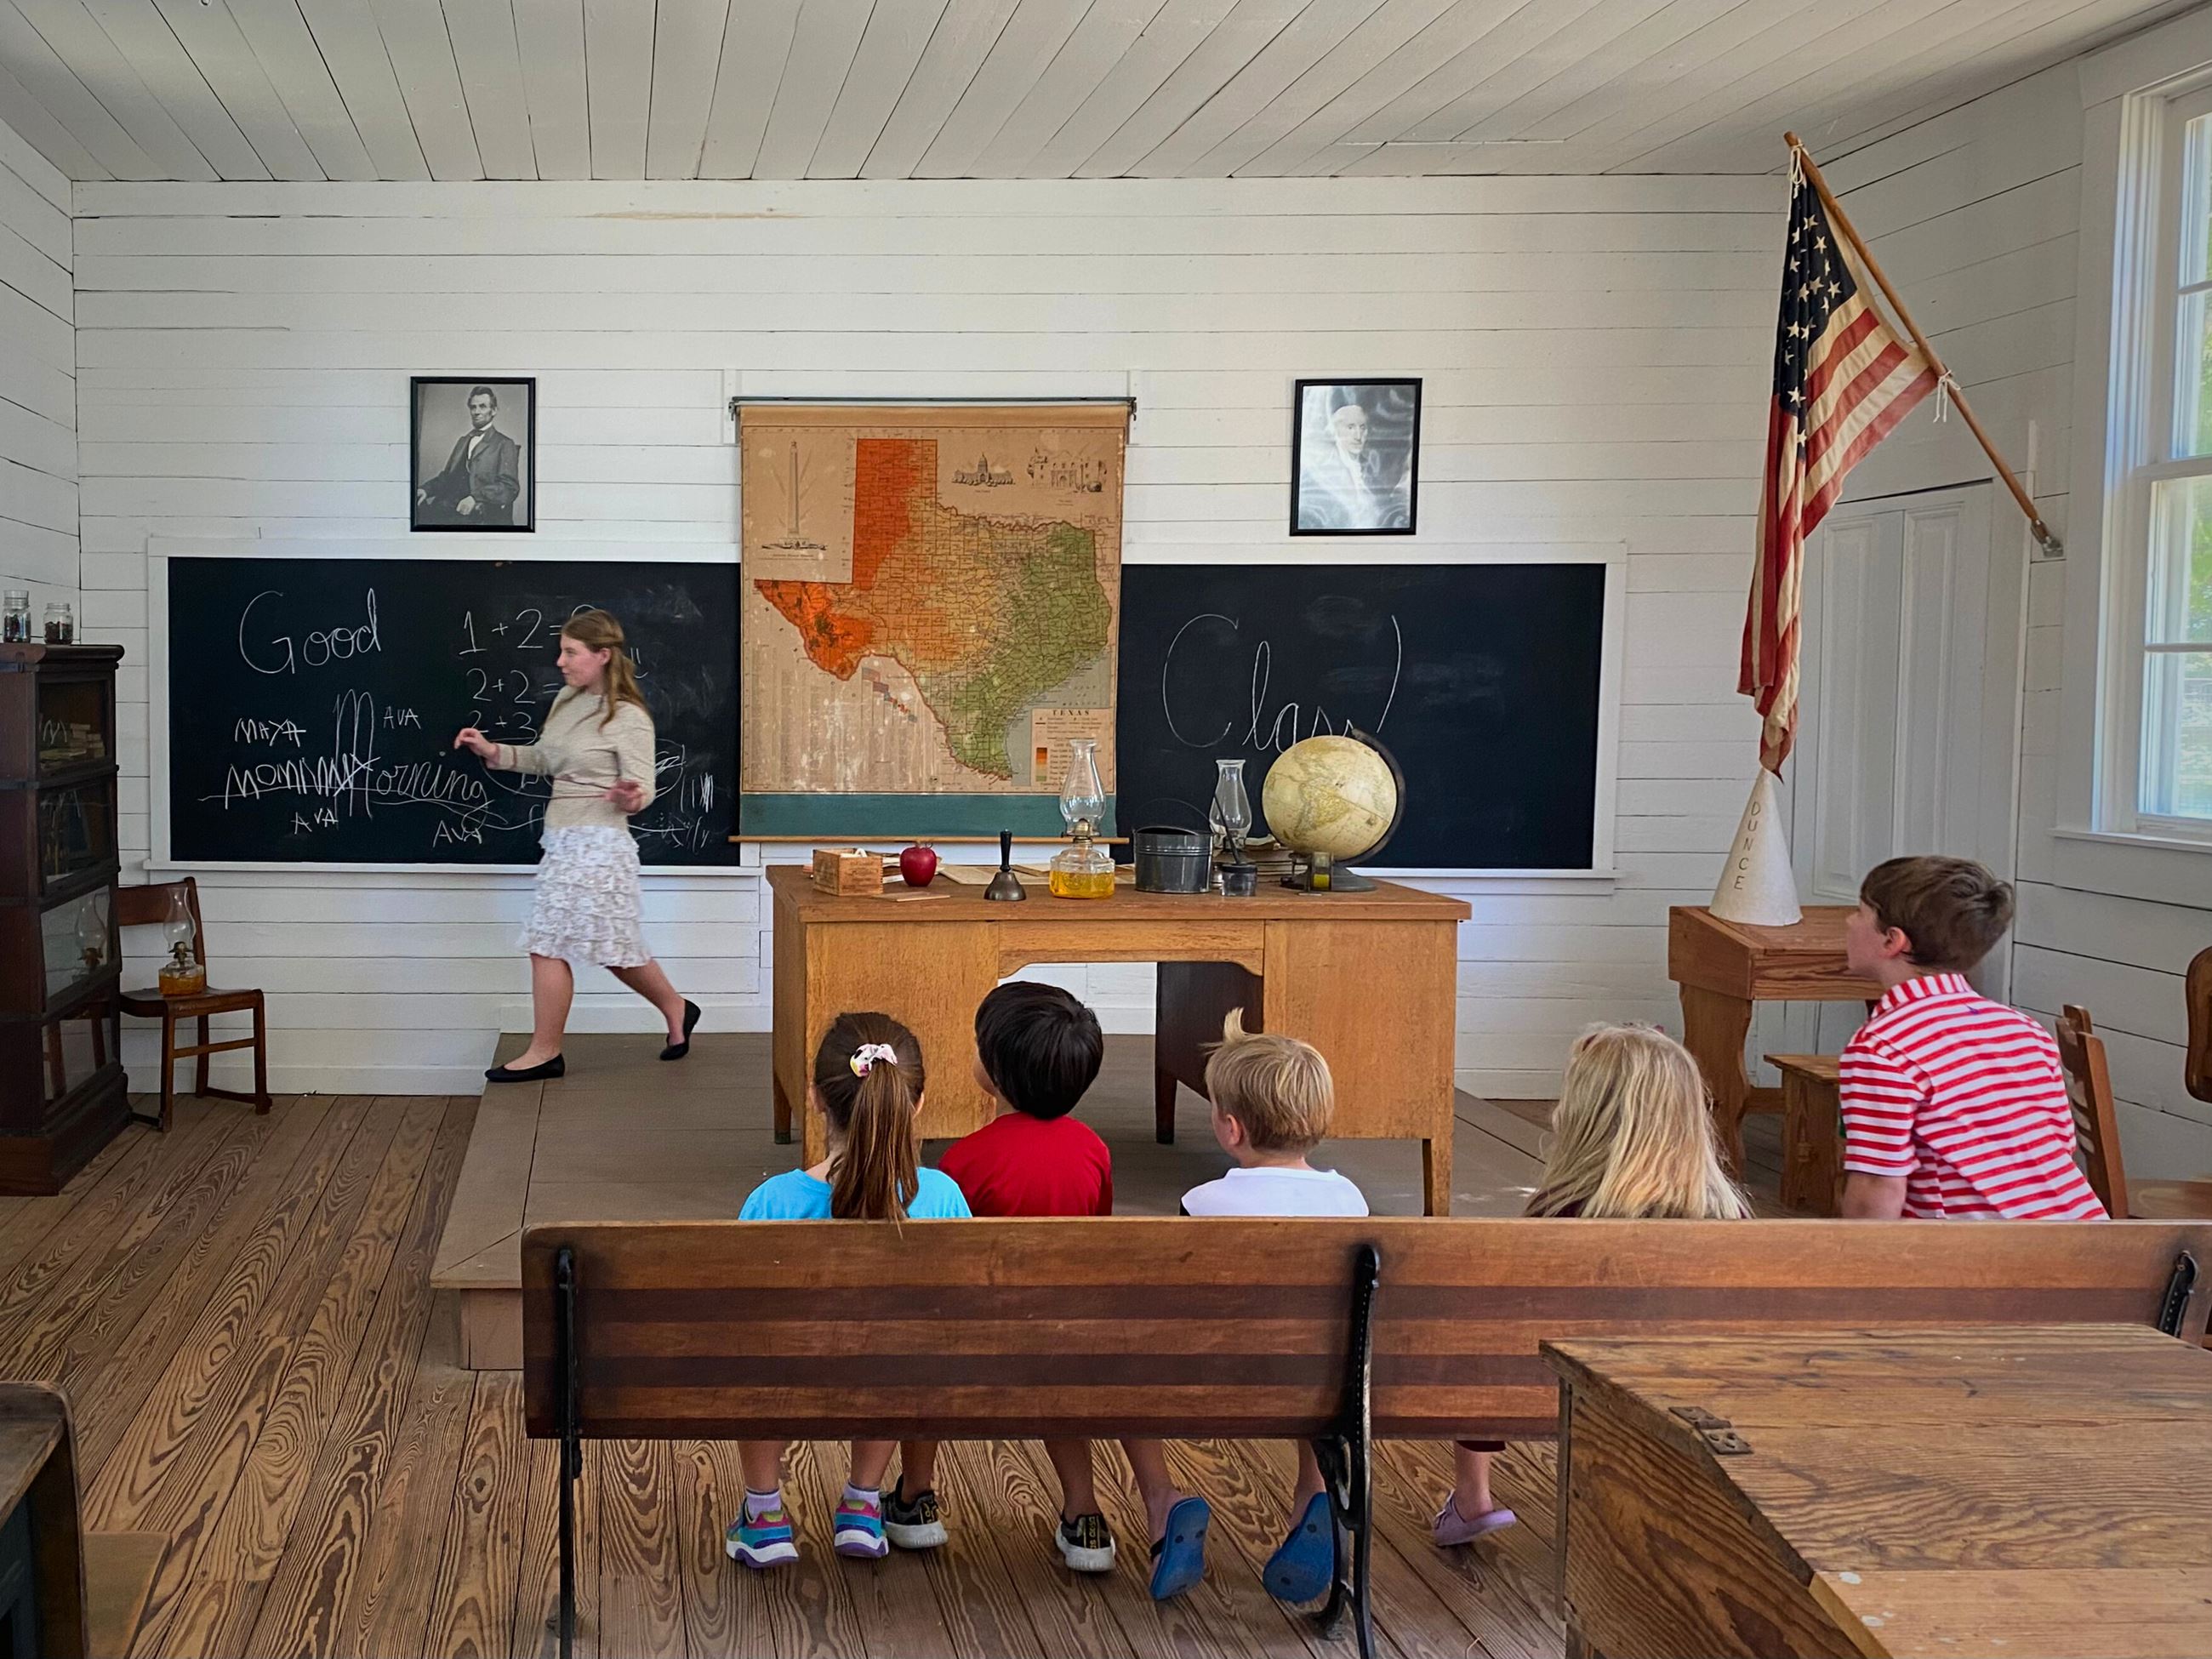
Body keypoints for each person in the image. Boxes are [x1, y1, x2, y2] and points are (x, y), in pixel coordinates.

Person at [1438, 1023, 1749, 1548]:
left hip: (1565, 1394)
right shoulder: (1728, 1217)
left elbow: (1503, 1335)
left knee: (1479, 1335)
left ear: (1586, 1116)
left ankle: (1473, 1498)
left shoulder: (1561, 1217)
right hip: (1692, 1396)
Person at [726, 1013, 972, 1568]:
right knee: (902, 1347)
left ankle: (764, 1516)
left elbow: (739, 1320)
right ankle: (863, 1503)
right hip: (893, 1380)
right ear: (918, 1102)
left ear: (814, 1098)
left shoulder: (772, 1203)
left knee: (754, 1353)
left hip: (791, 1379)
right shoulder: (941, 1196)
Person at [888, 983, 1118, 1572]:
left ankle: (915, 1499)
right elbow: (1096, 1240)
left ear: (993, 1070)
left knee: (922, 1352)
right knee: (1059, 1390)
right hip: (1066, 1340)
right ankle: (1084, 1515)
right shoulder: (1094, 1151)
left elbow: (944, 1261)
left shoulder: (966, 1159)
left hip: (974, 1342)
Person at [1152, 1013, 1366, 1605]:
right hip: (1325, 1386)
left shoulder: (1205, 1202)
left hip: (1214, 1386)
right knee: (1313, 1344)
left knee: (1126, 1380)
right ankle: (1311, 1493)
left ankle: (1160, 1501)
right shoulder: (1350, 1201)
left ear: (1229, 1127)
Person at [453, 610, 697, 1081]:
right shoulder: (566, 701)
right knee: (612, 948)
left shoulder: (628, 717)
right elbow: (545, 760)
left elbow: (643, 787)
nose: (560, 662)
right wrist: (492, 751)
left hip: (601, 846)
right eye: (562, 651)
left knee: (549, 944)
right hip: (564, 840)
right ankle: (676, 1008)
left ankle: (546, 1052)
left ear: (602, 655)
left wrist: (631, 797)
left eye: (570, 652)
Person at [1837, 856, 2107, 1221]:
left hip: (1980, 1258)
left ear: (1892, 940)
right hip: (2082, 1242)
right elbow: (2058, 1150)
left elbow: (1876, 1188)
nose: (1849, 922)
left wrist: (1851, 1270)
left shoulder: (1882, 1047)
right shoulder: (2026, 1030)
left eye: (1859, 912)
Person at [1297, 386, 1409, 531]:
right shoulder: (1319, 473)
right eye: (1350, 427)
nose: (1358, 436)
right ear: (1335, 430)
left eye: (1362, 427)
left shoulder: (1373, 471)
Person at [417, 385, 521, 526]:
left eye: (483, 406)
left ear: (494, 410)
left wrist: (475, 498)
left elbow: (509, 487)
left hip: (477, 515)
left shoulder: (504, 443)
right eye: (473, 407)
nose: (476, 412)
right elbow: (447, 477)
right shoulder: (463, 441)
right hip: (447, 507)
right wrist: (426, 490)